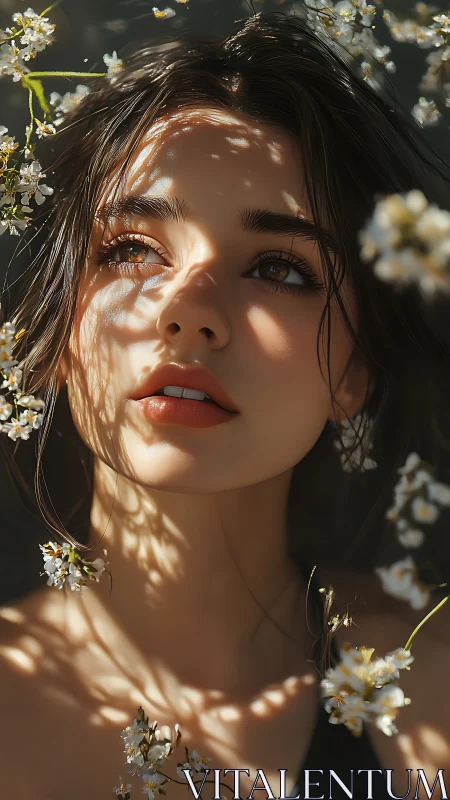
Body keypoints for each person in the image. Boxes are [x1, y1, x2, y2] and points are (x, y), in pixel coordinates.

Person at [1, 9, 450, 800]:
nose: (189, 311)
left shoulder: (427, 684)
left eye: (279, 267)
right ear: (62, 330)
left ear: (354, 368)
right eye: (132, 250)